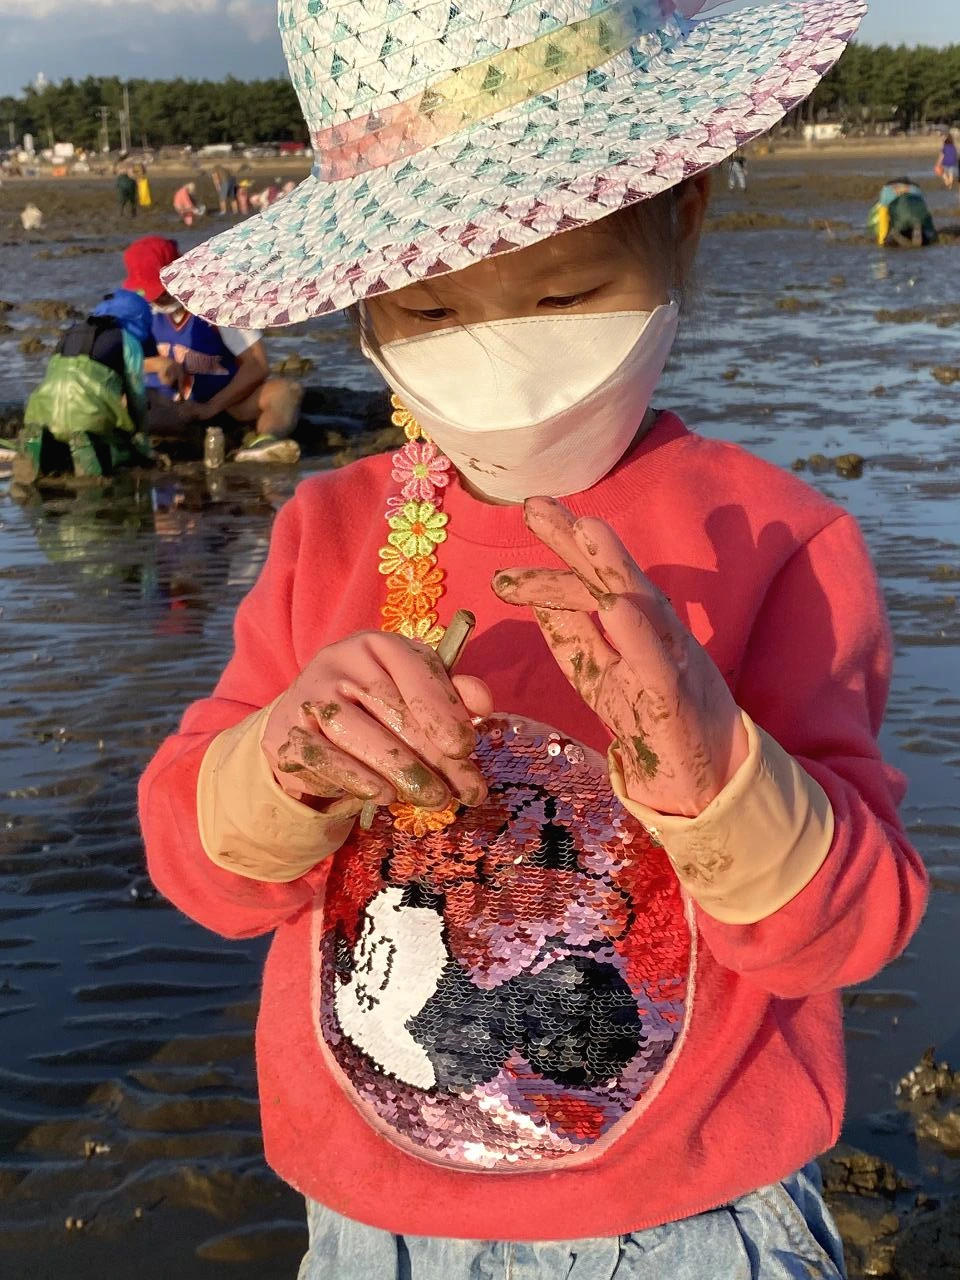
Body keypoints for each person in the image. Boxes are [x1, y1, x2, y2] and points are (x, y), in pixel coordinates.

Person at [141, 1, 929, 1277]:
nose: (505, 355)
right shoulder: (326, 535)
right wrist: (290, 762)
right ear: (363, 301)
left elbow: (854, 929)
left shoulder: (781, 541)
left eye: (566, 290)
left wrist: (718, 771)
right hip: (374, 1227)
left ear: (681, 214)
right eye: (433, 309)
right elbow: (203, 871)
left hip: (697, 1220)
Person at [123, 235, 302, 462]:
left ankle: (265, 442)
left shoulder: (219, 302)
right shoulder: (137, 310)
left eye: (163, 288)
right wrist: (156, 364)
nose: (159, 297)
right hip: (168, 407)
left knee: (286, 391)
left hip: (229, 404)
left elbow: (257, 365)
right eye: (152, 291)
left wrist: (211, 407)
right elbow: (117, 359)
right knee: (123, 400)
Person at [16, 288, 154, 481]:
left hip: (43, 411)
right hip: (88, 415)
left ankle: (43, 442)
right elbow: (136, 397)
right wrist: (140, 435)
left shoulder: (69, 334)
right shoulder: (128, 341)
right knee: (121, 446)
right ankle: (88, 445)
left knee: (59, 432)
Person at [869, 177, 938, 248]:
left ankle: (896, 233)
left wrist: (882, 240)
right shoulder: (916, 189)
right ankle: (920, 231)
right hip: (918, 216)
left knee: (896, 224)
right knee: (919, 220)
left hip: (901, 219)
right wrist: (932, 233)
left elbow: (883, 218)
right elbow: (924, 211)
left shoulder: (886, 191)